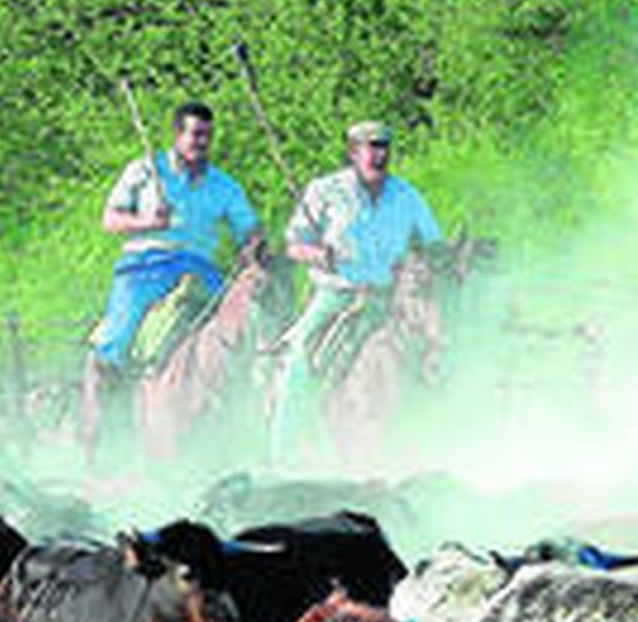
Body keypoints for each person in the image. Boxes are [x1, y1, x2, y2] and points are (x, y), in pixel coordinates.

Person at [83, 101, 264, 454]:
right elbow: (111, 220)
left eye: (208, 136)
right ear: (177, 134)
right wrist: (149, 222)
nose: (202, 142)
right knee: (117, 339)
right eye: (195, 134)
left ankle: (245, 426)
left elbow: (248, 226)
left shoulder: (224, 185)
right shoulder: (145, 172)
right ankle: (109, 429)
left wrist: (254, 245)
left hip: (200, 269)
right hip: (145, 267)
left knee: (238, 328)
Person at [267, 120, 443, 466]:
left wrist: (442, 258)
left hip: (393, 298)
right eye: (370, 146)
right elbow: (292, 245)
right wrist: (317, 254)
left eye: (383, 146)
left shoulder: (406, 195)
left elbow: (433, 242)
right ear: (352, 152)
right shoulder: (325, 190)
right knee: (300, 354)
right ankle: (282, 455)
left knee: (439, 345)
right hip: (339, 295)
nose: (378, 154)